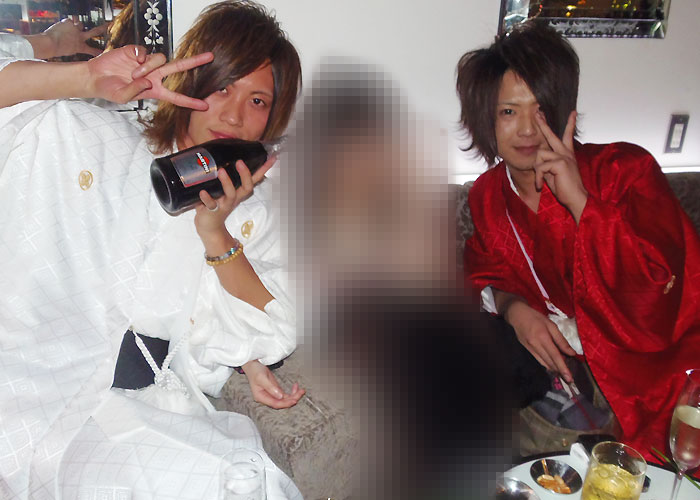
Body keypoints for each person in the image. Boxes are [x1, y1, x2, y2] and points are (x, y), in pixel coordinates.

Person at [0, 1, 304, 497]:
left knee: (239, 483)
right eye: (223, 86)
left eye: (257, 101)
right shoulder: (86, 136)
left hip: (126, 421)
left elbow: (276, 325)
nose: (233, 114)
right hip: (24, 383)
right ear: (192, 80)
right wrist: (80, 76)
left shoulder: (256, 215)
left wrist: (216, 235)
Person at [457, 20, 700, 458]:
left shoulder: (625, 171)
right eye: (508, 112)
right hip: (568, 360)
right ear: (485, 120)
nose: (527, 130)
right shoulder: (488, 194)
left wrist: (582, 203)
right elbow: (481, 266)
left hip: (655, 366)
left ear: (565, 111)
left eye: (540, 110)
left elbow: (655, 293)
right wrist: (513, 308)